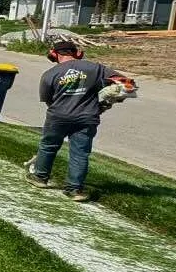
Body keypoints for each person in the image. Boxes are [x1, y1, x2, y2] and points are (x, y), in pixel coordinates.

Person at [24, 40, 120, 201]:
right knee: (80, 153)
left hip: (58, 117)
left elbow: (48, 99)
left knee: (48, 146)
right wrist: (106, 101)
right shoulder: (96, 68)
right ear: (77, 53)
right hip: (87, 118)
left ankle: (40, 177)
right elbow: (128, 84)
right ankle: (74, 189)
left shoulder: (49, 74)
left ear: (53, 54)